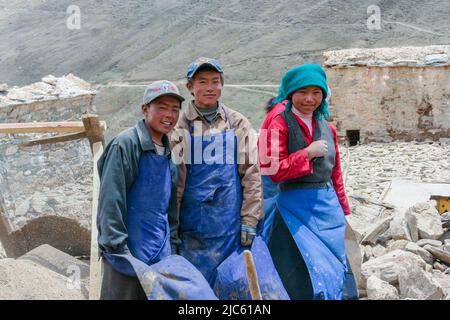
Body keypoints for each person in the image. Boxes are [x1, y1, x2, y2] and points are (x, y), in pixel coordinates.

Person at [259, 64, 353, 300]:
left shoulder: (327, 128)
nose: (309, 99)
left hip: (327, 210)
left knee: (334, 270)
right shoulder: (278, 122)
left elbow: (335, 172)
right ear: (290, 93)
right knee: (300, 273)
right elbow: (273, 170)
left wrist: (343, 208)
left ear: (323, 95)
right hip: (293, 211)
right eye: (302, 92)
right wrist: (307, 153)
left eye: (316, 92)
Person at [170, 57, 264, 286]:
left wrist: (250, 219)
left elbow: (251, 172)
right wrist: (173, 226)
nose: (210, 88)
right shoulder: (179, 126)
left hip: (231, 226)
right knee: (196, 288)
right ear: (190, 87)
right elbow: (176, 182)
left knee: (233, 285)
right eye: (202, 81)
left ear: (222, 85)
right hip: (193, 230)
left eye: (215, 81)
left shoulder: (237, 122)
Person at [97, 80, 185, 299]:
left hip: (158, 256)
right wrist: (118, 250)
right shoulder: (125, 145)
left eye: (175, 109)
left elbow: (170, 210)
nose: (169, 115)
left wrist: (171, 250)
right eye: (162, 107)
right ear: (145, 109)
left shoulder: (169, 154)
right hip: (126, 255)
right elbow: (111, 201)